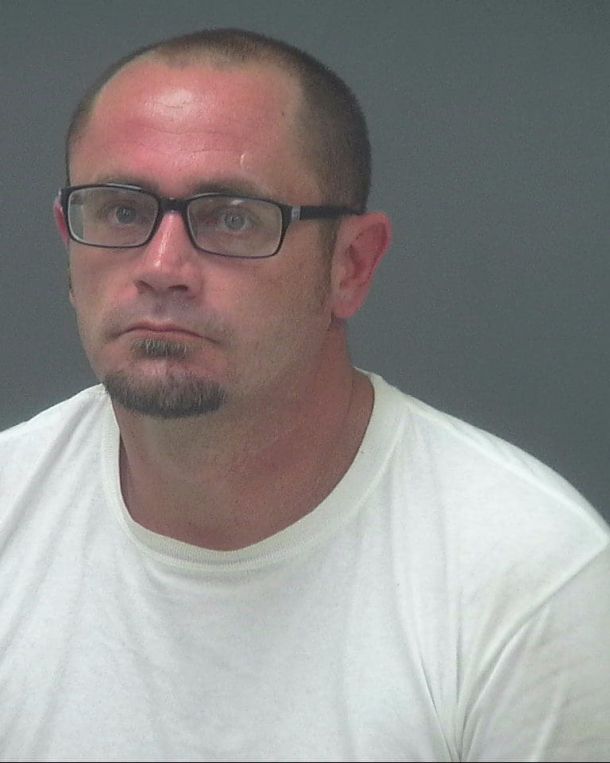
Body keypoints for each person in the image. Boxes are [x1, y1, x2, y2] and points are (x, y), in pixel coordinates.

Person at [0, 27, 608, 763]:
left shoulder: (532, 581)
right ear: (68, 238)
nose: (161, 266)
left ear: (351, 265)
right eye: (122, 212)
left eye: (232, 217)